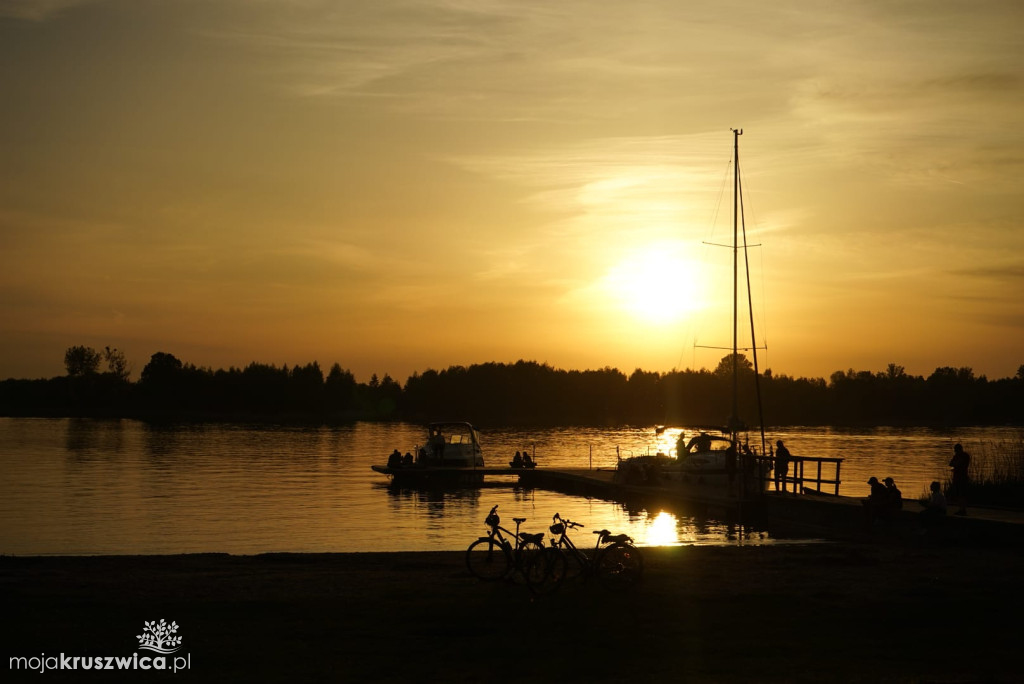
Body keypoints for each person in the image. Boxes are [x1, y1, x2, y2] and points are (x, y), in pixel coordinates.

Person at [949, 443, 970, 516]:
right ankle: (961, 509)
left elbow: (958, 464)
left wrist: (956, 464)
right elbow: (951, 463)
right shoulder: (957, 456)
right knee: (958, 494)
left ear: (959, 449)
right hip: (957, 478)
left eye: (955, 450)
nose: (955, 451)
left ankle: (963, 509)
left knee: (962, 494)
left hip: (962, 477)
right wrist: (956, 464)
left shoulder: (964, 456)